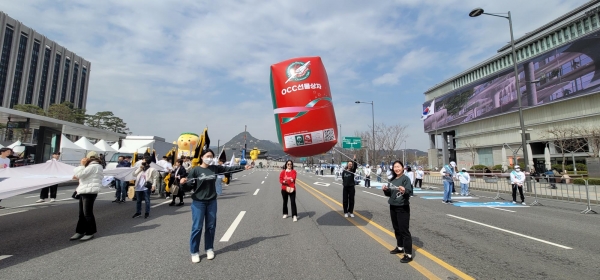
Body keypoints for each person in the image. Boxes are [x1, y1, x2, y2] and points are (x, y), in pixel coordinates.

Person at [180, 149, 252, 263]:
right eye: (207, 156)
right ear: (202, 157)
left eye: (211, 156)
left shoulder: (214, 168)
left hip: (212, 201)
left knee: (211, 226)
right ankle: (194, 252)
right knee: (197, 228)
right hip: (199, 202)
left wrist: (243, 167)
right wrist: (183, 183)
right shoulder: (195, 170)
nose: (210, 158)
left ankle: (209, 248)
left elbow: (228, 169)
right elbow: (188, 186)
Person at [382, 161, 414, 263]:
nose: (397, 169)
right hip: (393, 206)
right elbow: (389, 194)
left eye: (398, 167)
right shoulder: (392, 180)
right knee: (396, 229)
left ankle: (408, 254)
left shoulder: (405, 179)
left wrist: (404, 190)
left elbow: (409, 192)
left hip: (402, 207)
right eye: (395, 167)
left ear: (403, 168)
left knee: (404, 230)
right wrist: (386, 190)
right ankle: (400, 247)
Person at [70, 151, 104, 241]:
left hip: (89, 191)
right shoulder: (93, 166)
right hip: (85, 190)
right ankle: (80, 231)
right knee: (82, 214)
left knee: (87, 213)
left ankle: (90, 232)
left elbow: (79, 175)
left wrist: (81, 165)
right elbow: (80, 176)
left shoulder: (94, 166)